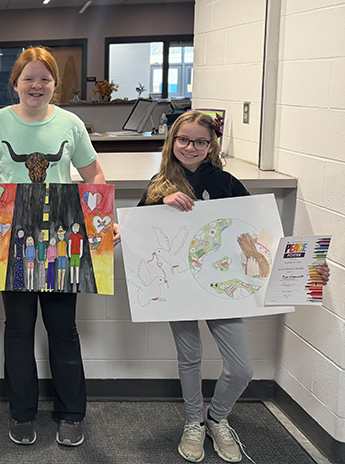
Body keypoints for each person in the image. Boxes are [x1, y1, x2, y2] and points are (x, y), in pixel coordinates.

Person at [138, 110, 330, 463]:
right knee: (189, 358)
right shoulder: (159, 184)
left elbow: (262, 233)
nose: (190, 147)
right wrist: (160, 203)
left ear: (211, 146)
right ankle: (194, 421)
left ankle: (216, 417)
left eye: (200, 141)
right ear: (172, 141)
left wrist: (307, 268)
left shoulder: (226, 183)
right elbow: (139, 234)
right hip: (181, 290)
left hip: (221, 287)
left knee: (242, 368)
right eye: (183, 140)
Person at [0, 46, 120, 447]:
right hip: (11, 240)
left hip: (62, 238)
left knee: (63, 329)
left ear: (54, 85)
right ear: (15, 83)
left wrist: (101, 219)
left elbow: (94, 174)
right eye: (28, 78)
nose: (36, 85)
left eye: (45, 78)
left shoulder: (70, 123)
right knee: (18, 330)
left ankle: (72, 414)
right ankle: (21, 412)